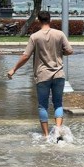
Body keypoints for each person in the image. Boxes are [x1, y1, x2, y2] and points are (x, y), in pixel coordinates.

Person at [7, 11, 73, 139]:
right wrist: (60, 53)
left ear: (38, 20)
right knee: (58, 103)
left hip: (42, 75)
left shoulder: (35, 37)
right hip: (59, 74)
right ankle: (58, 131)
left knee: (43, 105)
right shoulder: (59, 34)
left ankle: (46, 135)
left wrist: (13, 69)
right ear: (50, 20)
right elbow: (70, 51)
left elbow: (26, 56)